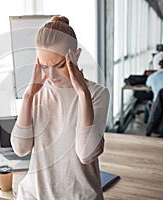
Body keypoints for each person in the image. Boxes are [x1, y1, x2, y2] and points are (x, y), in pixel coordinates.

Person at [11, 16, 110, 200]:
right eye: (45, 66)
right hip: (34, 195)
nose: (52, 75)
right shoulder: (38, 92)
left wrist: (83, 94)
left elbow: (86, 154)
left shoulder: (97, 94)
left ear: (77, 55)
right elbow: (21, 148)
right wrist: (28, 96)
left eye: (60, 65)